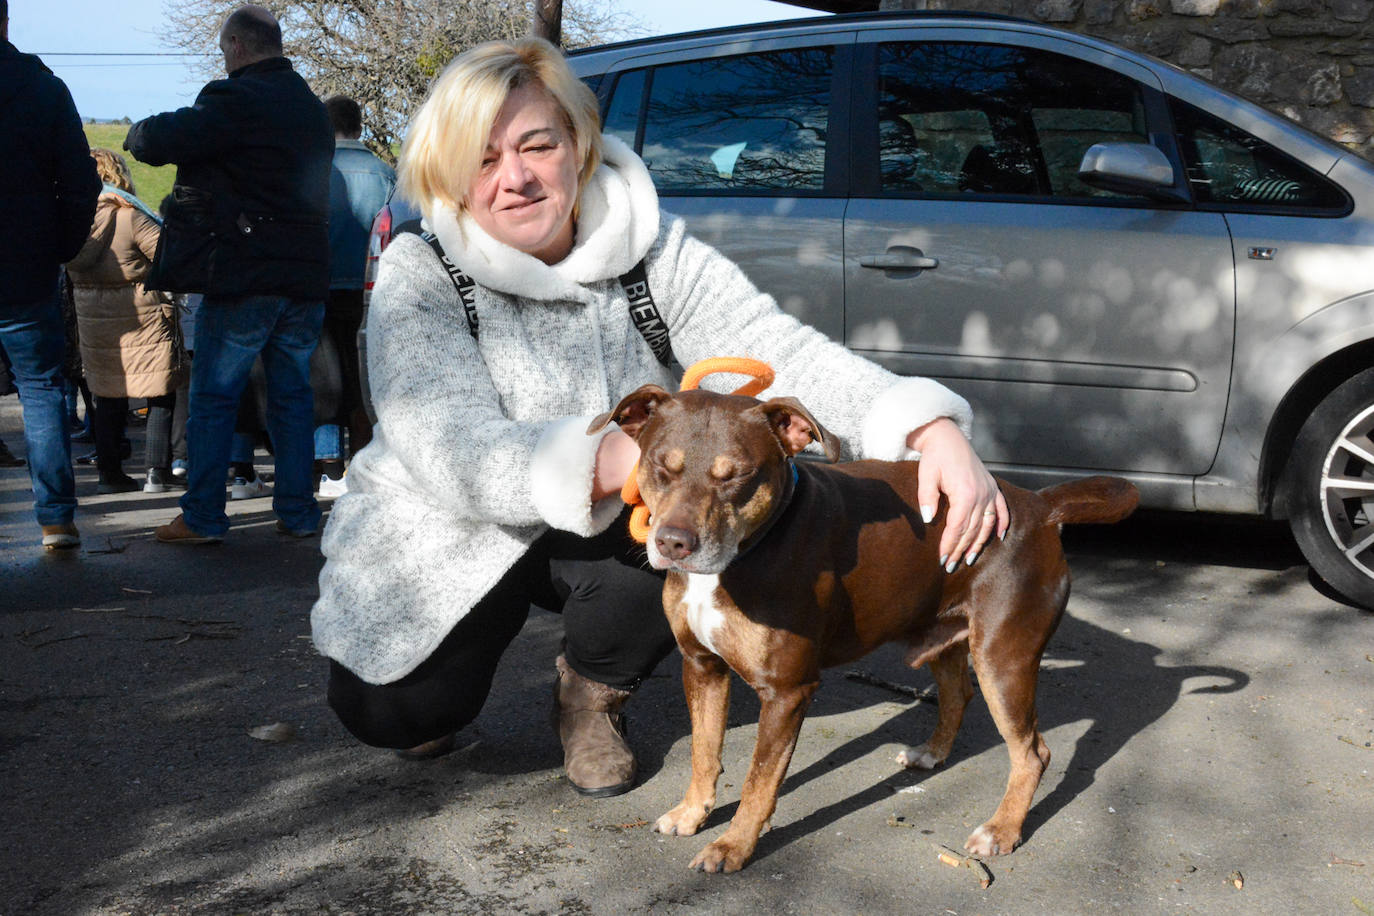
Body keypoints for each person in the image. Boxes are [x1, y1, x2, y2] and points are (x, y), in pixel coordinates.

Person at [311, 38, 1011, 797]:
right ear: (449, 174)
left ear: (578, 145)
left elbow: (775, 347)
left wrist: (922, 426)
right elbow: (443, 438)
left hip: (620, 516)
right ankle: (432, 690)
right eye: (481, 159)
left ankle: (590, 692)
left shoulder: (652, 249)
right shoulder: (422, 270)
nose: (513, 178)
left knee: (695, 520)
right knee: (393, 712)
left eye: (536, 145)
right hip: (458, 520)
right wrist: (607, 458)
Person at [124, 4, 333, 544]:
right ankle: (299, 511)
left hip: (247, 273)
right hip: (305, 274)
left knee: (215, 397)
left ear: (237, 46)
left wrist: (136, 132)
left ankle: (203, 517)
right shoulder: (311, 108)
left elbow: (158, 140)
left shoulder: (237, 99)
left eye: (223, 49)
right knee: (291, 398)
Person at [0, 0, 101, 549]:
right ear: (6, 22)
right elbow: (80, 179)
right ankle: (56, 517)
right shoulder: (43, 89)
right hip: (25, 263)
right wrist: (61, 245)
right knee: (40, 388)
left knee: (40, 388)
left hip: (30, 259)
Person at [65, 148, 186, 494]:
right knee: (160, 391)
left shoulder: (74, 222)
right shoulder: (129, 217)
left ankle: (110, 472)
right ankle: (156, 471)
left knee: (108, 394)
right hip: (143, 316)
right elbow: (169, 254)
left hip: (94, 321)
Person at [315, 94, 395, 498]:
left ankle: (328, 466)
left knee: (324, 378)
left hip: (321, 286)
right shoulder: (384, 174)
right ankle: (361, 461)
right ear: (360, 126)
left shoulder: (314, 172)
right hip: (371, 288)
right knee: (363, 377)